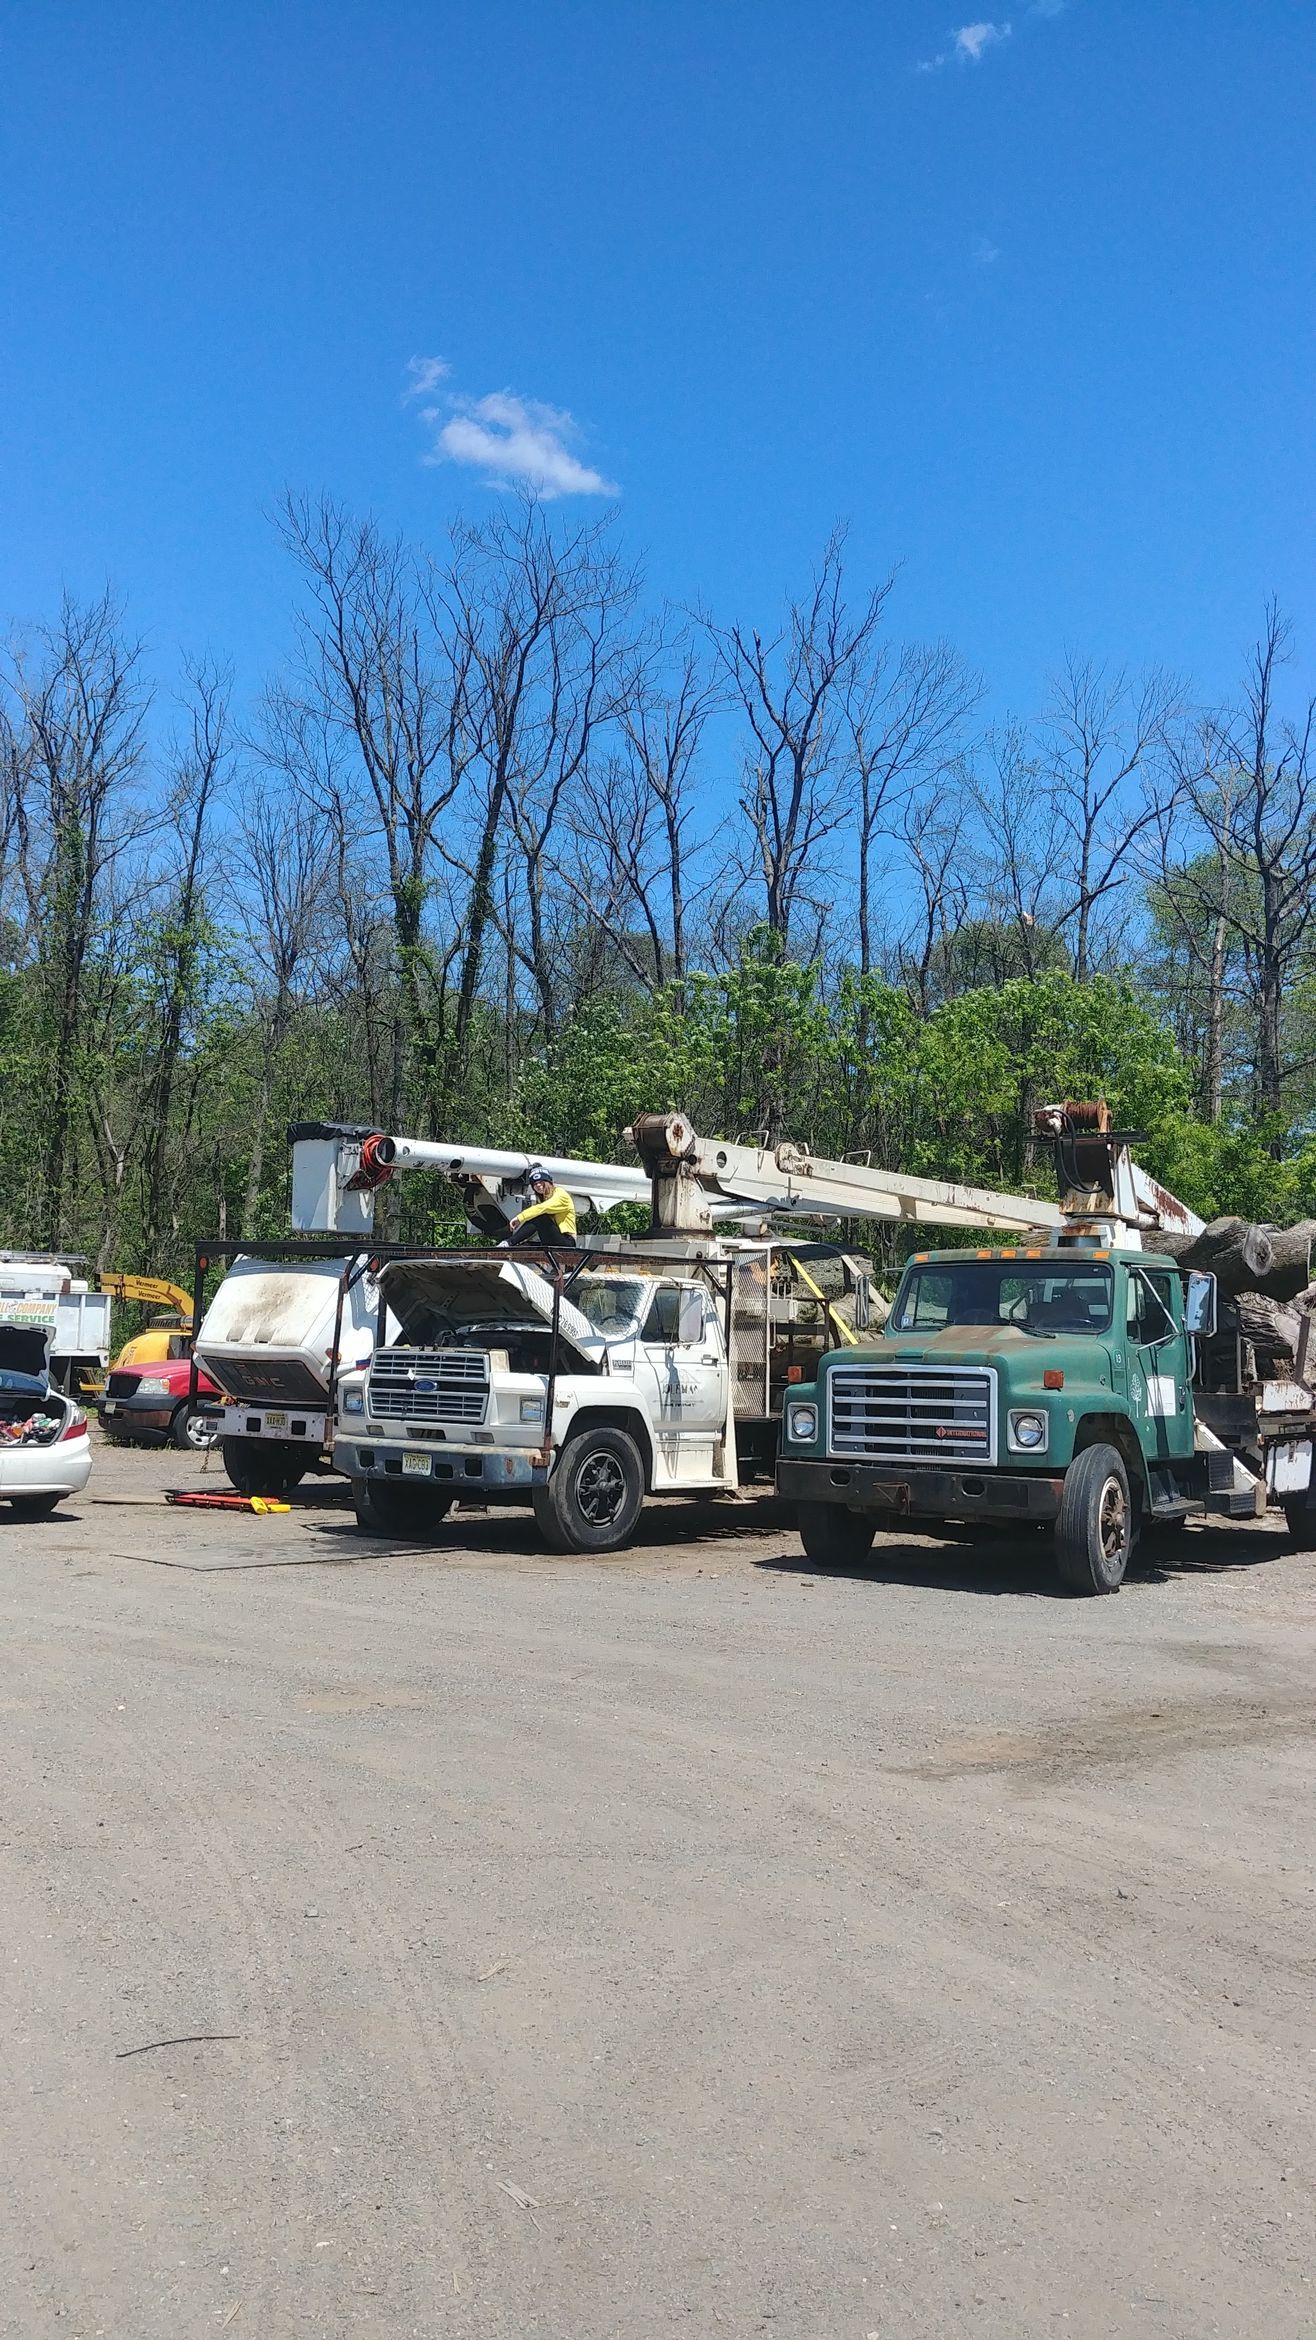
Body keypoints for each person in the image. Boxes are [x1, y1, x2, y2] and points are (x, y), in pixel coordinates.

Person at [506, 1166, 578, 1252]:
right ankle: (511, 1243)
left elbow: (543, 1208)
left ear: (548, 1182)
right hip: (551, 1240)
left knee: (540, 1217)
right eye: (535, 1184)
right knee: (527, 1244)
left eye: (541, 1182)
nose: (538, 1185)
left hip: (567, 1241)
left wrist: (519, 1218)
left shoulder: (561, 1194)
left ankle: (509, 1243)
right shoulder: (542, 1199)